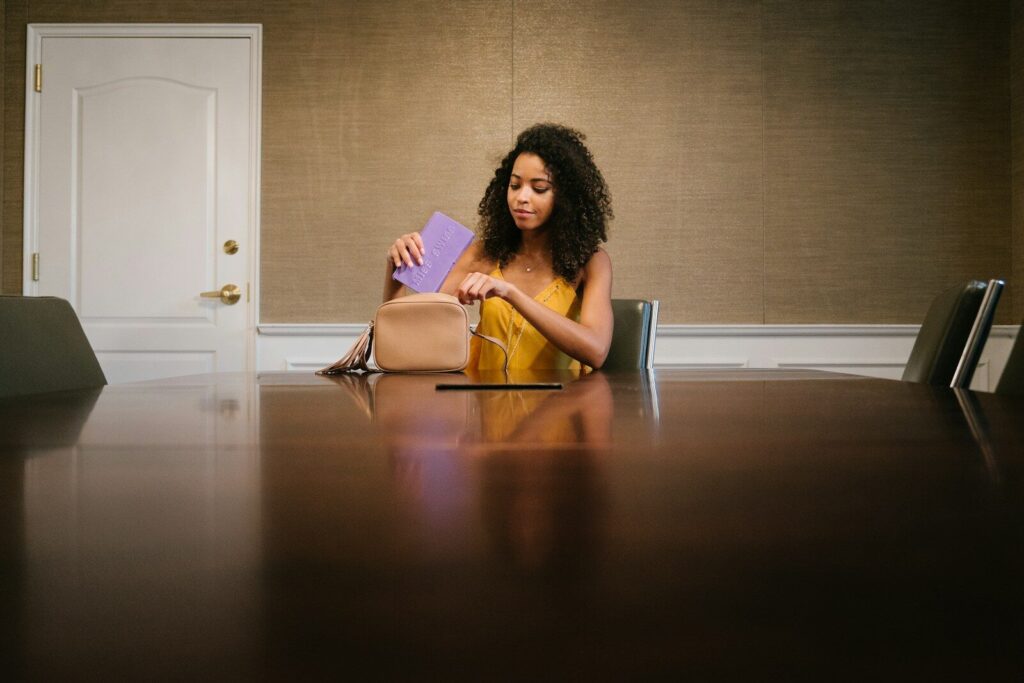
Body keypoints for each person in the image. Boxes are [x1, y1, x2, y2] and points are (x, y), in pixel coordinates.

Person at [383, 124, 614, 370]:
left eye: (539, 189)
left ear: (565, 198)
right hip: (486, 402)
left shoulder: (590, 262)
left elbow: (596, 350)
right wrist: (396, 272)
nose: (521, 197)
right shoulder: (486, 254)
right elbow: (404, 336)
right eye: (515, 185)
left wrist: (510, 293)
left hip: (560, 402)